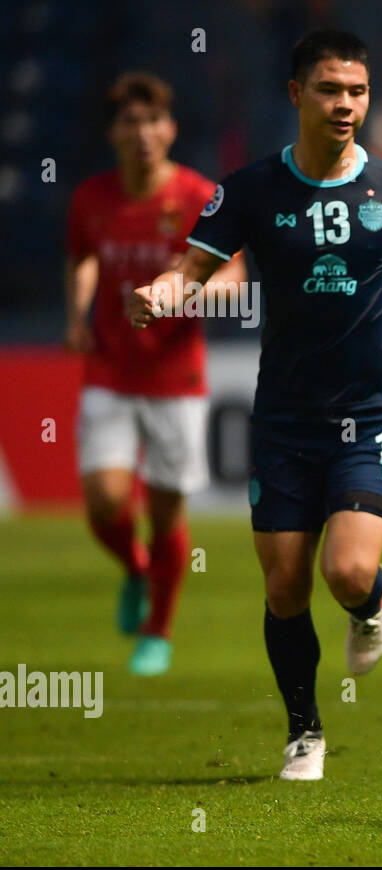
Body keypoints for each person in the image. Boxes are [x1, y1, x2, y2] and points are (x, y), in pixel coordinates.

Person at [129, 29, 382, 780]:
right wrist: (160, 296)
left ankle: (373, 600)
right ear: (297, 94)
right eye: (331, 90)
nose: (346, 105)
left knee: (348, 573)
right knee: (284, 585)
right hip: (285, 419)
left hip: (373, 412)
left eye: (358, 91)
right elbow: (193, 267)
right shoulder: (253, 189)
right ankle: (305, 731)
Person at [66, 72, 245, 676]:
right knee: (103, 501)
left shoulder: (198, 196)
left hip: (175, 380)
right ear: (114, 132)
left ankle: (158, 631)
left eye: (152, 122)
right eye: (130, 123)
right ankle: (137, 570)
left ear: (170, 129)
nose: (142, 134)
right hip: (110, 371)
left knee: (167, 510)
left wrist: (181, 293)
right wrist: (76, 313)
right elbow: (83, 258)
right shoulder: (92, 198)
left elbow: (236, 280)